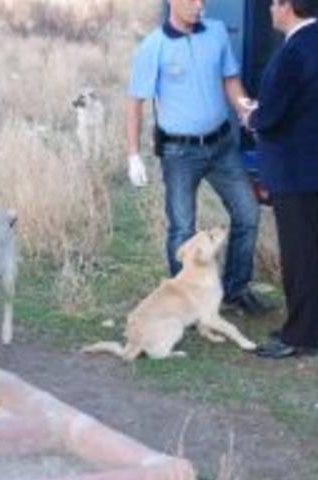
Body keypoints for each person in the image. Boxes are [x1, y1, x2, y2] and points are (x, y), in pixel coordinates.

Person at [127, 0, 272, 316]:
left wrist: (246, 110)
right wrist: (133, 154)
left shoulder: (216, 32)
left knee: (248, 211)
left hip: (222, 145)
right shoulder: (154, 47)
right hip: (180, 153)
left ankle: (236, 290)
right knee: (182, 228)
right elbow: (136, 103)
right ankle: (182, 303)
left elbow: (230, 81)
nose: (199, 5)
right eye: (191, 0)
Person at [242, 0, 318, 358]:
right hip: (314, 165)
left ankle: (301, 336)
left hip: (293, 169)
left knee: (298, 255)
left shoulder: (294, 52)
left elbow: (273, 115)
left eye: (273, 3)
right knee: (308, 251)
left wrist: (252, 117)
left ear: (287, 6)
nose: (269, 9)